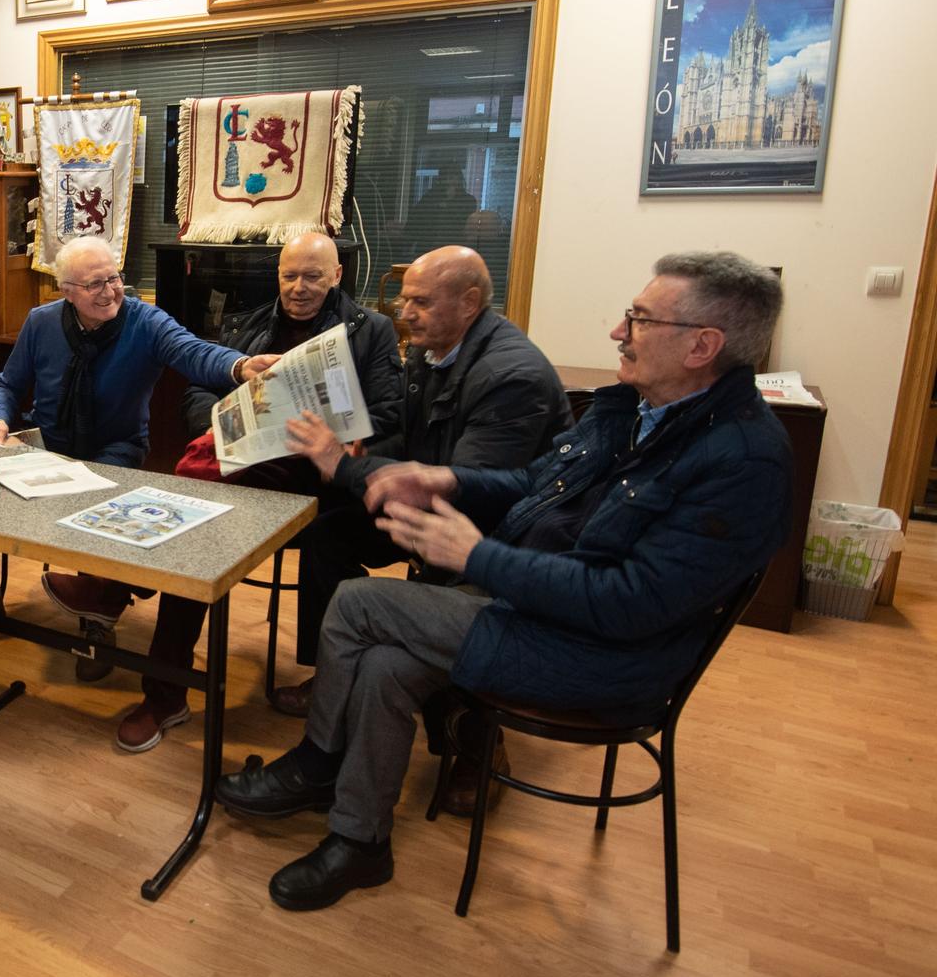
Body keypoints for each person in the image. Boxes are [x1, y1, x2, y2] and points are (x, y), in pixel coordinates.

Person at [213, 252, 790, 913]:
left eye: (638, 318)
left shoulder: (742, 461)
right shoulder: (634, 406)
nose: (617, 332)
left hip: (602, 656)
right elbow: (538, 483)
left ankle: (318, 763)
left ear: (702, 345)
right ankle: (360, 839)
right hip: (533, 602)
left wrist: (478, 554)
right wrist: (449, 479)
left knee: (356, 601)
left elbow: (630, 603)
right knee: (382, 665)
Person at [108, 232, 405, 751]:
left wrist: (337, 435)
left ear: (337, 276)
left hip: (326, 478)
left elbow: (389, 413)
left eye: (313, 276)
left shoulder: (370, 330)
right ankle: (165, 690)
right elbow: (199, 394)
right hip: (252, 465)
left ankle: (117, 597)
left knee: (221, 509)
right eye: (289, 275)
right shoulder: (250, 323)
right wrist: (222, 421)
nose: (298, 287)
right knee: (196, 533)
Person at [273, 245, 569, 763]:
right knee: (328, 536)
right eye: (405, 300)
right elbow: (411, 446)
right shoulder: (434, 352)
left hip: (494, 534)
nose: (404, 314)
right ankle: (334, 669)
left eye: (421, 303)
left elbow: (462, 489)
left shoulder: (509, 375)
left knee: (434, 580)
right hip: (435, 508)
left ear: (470, 302)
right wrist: (353, 455)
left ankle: (472, 742)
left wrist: (341, 466)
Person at [0, 235, 275, 656]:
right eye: (95, 284)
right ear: (67, 291)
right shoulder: (42, 322)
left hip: (116, 448)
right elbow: (9, 383)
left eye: (114, 278)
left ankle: (97, 621)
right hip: (47, 446)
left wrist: (240, 365)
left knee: (91, 507)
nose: (110, 292)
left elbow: (192, 351)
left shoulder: (145, 322)